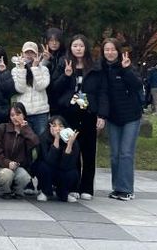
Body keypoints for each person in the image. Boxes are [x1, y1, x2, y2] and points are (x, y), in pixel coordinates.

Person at [49, 34, 108, 200]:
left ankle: (87, 187)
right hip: (69, 113)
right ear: (70, 48)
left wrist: (102, 115)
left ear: (86, 48)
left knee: (89, 152)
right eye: (75, 46)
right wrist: (66, 75)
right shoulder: (63, 63)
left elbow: (102, 92)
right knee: (71, 149)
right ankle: (72, 186)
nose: (78, 49)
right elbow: (54, 88)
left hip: (89, 113)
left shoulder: (95, 67)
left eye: (81, 46)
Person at [101, 38, 143, 201]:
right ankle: (117, 188)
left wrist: (126, 70)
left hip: (131, 116)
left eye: (113, 49)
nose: (110, 52)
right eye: (107, 49)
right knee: (115, 154)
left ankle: (126, 189)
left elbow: (137, 85)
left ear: (118, 51)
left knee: (126, 153)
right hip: (113, 117)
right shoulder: (101, 68)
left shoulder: (126, 66)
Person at [0, 102, 39, 198]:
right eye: (12, 115)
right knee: (6, 174)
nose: (15, 117)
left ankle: (16, 191)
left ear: (24, 115)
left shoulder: (26, 130)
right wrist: (7, 163)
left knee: (25, 177)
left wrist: (25, 129)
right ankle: (5, 191)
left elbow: (35, 142)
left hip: (18, 167)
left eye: (18, 114)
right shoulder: (2, 128)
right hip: (2, 165)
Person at [34, 115, 80, 202]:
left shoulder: (72, 140)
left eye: (61, 126)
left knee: (73, 173)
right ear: (49, 127)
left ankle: (64, 193)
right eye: (54, 126)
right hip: (49, 169)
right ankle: (46, 192)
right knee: (42, 166)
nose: (58, 129)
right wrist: (56, 139)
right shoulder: (44, 138)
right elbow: (49, 160)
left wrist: (69, 145)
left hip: (62, 170)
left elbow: (68, 165)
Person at [11, 41, 50, 136]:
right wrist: (21, 69)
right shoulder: (15, 70)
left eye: (32, 52)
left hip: (41, 113)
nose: (29, 55)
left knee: (42, 141)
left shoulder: (44, 69)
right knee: (25, 141)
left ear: (37, 54)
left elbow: (41, 86)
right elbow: (20, 89)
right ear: (22, 54)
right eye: (27, 52)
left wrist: (35, 68)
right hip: (24, 113)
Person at [44, 27, 67, 111]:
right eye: (51, 40)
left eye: (57, 41)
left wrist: (51, 60)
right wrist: (45, 61)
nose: (54, 43)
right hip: (47, 95)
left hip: (61, 94)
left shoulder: (65, 56)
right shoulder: (43, 56)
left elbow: (56, 75)